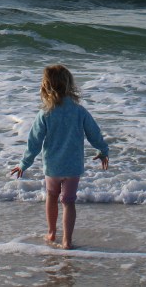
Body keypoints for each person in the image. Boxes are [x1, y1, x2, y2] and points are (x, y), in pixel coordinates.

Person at [10, 64, 109, 250]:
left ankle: (52, 232)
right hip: (73, 168)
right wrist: (102, 150)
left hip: (53, 167)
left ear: (46, 87)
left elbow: (34, 142)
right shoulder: (80, 111)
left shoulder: (45, 114)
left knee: (51, 197)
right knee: (69, 202)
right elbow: (94, 133)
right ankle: (67, 241)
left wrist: (24, 163)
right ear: (69, 85)